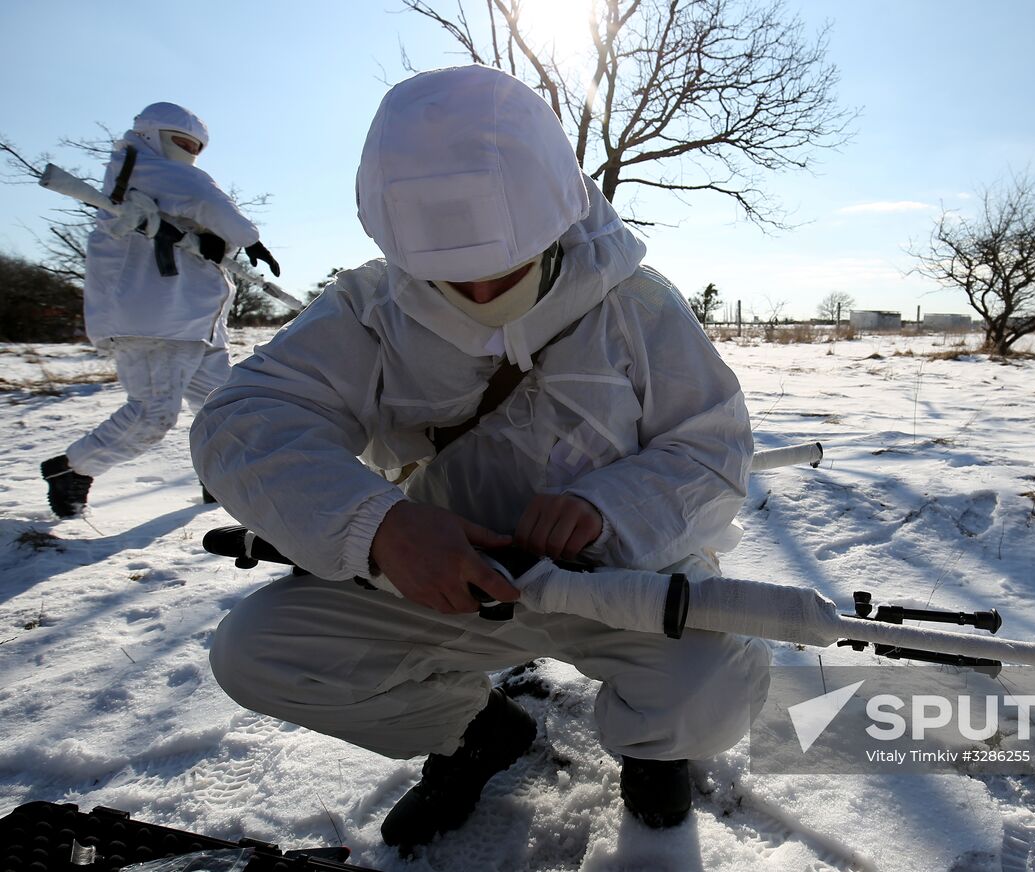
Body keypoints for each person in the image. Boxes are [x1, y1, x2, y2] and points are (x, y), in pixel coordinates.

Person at [190, 65, 770, 850]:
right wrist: (381, 528)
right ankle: (476, 732)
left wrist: (609, 508)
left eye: (507, 259)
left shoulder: (636, 304)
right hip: (442, 584)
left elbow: (715, 451)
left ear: (554, 212)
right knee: (262, 652)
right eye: (447, 269)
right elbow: (244, 422)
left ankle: (653, 750)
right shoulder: (370, 308)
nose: (478, 281)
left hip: (624, 582)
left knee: (714, 680)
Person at [41, 101, 279, 518]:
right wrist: (247, 237)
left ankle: (218, 478)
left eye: (194, 146)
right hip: (156, 322)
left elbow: (190, 218)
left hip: (194, 323)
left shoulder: (154, 183)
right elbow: (204, 199)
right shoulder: (142, 167)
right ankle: (73, 469)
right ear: (153, 136)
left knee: (222, 406)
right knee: (152, 413)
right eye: (180, 142)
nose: (186, 152)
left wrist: (214, 242)